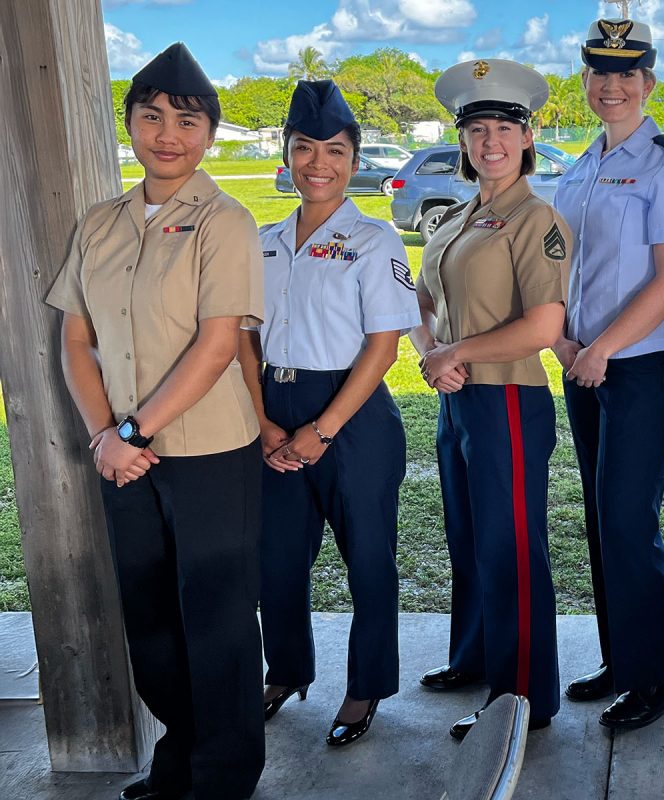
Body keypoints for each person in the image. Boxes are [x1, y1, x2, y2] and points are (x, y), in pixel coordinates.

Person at [46, 43, 265, 800]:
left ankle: (225, 776)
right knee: (150, 617)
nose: (167, 132)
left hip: (207, 453)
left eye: (186, 119)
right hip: (122, 458)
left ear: (209, 133)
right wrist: (104, 435)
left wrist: (132, 434)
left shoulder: (225, 221)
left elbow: (216, 346)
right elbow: (75, 336)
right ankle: (180, 759)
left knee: (218, 620)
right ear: (130, 123)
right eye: (151, 116)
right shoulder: (99, 224)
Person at [237, 80, 421, 747]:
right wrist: (263, 424)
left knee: (368, 557)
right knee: (277, 559)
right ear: (285, 155)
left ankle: (366, 684)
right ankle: (285, 671)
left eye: (335, 150)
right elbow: (243, 338)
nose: (319, 162)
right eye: (305, 147)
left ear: (353, 158)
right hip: (273, 410)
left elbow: (383, 346)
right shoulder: (259, 241)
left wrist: (321, 430)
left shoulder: (374, 241)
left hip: (352, 418)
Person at [551, 16, 664, 731]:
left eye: (626, 74)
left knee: (627, 517)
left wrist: (601, 348)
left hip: (641, 364)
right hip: (581, 362)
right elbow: (564, 266)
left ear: (648, 83)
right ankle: (623, 657)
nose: (611, 85)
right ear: (586, 82)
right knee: (598, 517)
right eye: (599, 73)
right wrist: (563, 341)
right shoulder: (580, 164)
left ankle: (659, 677)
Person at [412, 58, 570, 739]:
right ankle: (475, 657)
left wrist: (458, 354)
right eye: (477, 129)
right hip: (458, 399)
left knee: (511, 550)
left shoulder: (537, 220)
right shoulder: (453, 217)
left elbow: (544, 326)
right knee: (469, 539)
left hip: (507, 400)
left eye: (505, 127)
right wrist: (430, 356)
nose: (490, 142)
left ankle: (523, 696)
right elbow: (416, 297)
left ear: (529, 136)